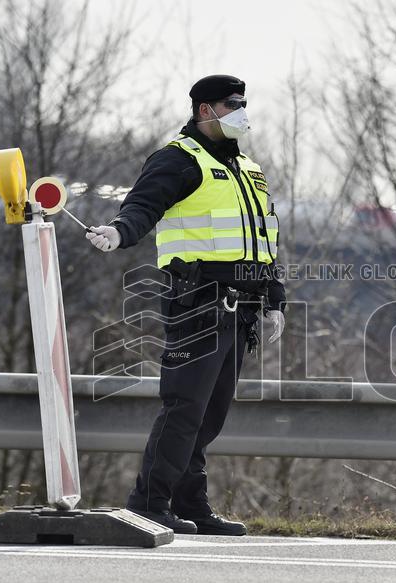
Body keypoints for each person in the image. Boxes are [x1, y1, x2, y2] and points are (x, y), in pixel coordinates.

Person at [85, 75, 285, 536]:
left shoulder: (248, 170)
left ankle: (191, 504)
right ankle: (148, 503)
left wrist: (273, 298)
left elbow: (263, 241)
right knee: (184, 407)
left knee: (210, 413)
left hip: (242, 309)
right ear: (204, 110)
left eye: (243, 103)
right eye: (231, 104)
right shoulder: (178, 159)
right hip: (198, 303)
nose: (241, 111)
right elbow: (142, 206)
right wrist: (119, 233)